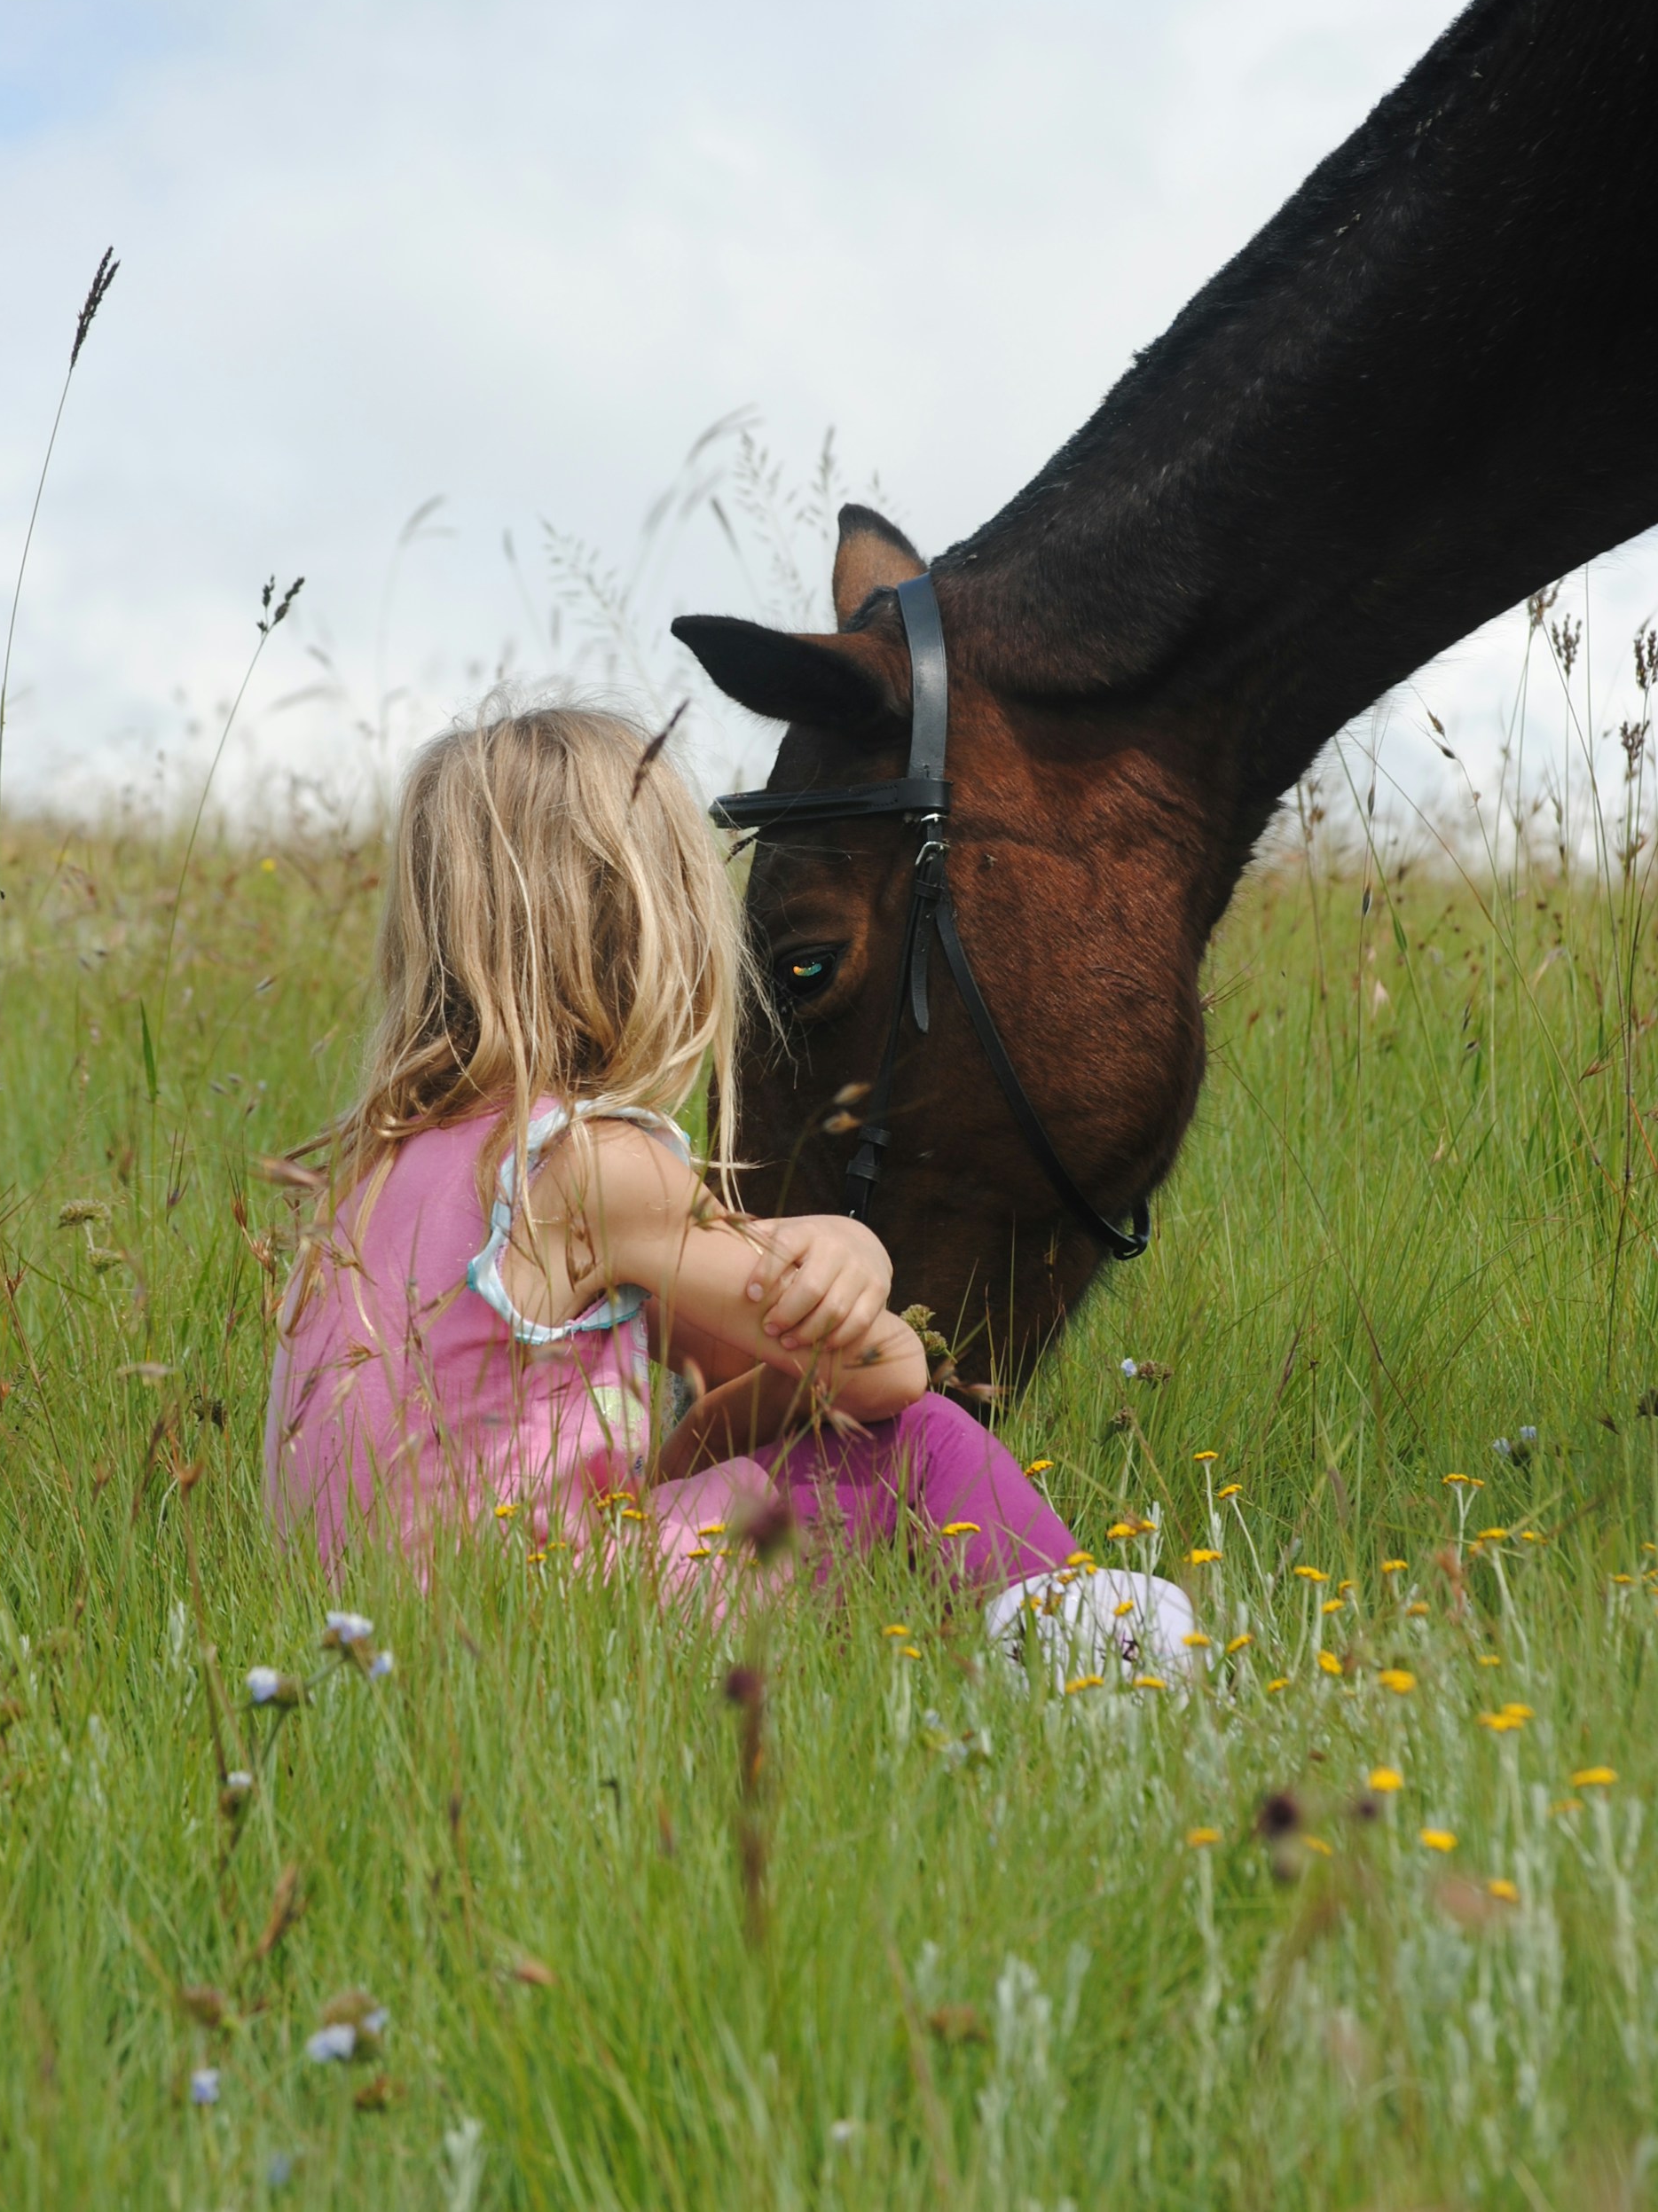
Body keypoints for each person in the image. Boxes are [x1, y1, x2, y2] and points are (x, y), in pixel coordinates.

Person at [263, 702, 1192, 1678]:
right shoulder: (590, 1165)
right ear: (651, 928)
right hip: (542, 1628)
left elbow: (717, 1360)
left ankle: (930, 1666)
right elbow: (883, 1373)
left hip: (383, 1642)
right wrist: (855, 1260)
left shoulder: (372, 1181)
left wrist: (830, 1270)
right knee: (914, 1443)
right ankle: (1095, 1660)